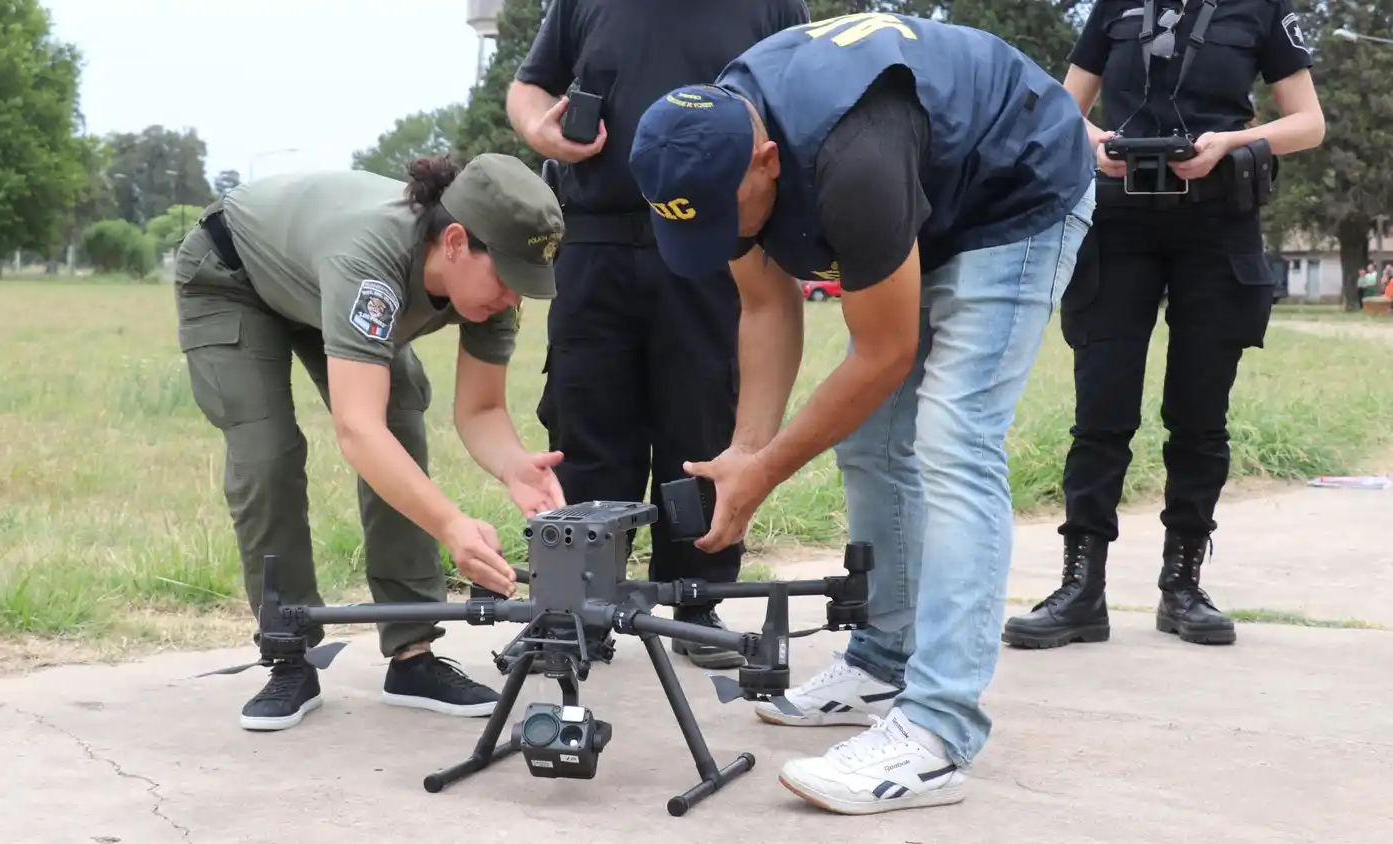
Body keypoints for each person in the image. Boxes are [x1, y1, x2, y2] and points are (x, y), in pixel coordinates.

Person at [627, 11, 1096, 815]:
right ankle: (883, 660)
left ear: (768, 161)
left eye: (726, 218)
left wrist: (769, 471)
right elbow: (766, 306)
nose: (721, 236)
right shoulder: (708, 149)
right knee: (870, 441)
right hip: (927, 185)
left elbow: (885, 353)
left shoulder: (851, 159)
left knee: (954, 439)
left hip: (1015, 183)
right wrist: (746, 450)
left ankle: (938, 731)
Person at [174, 153, 568, 732]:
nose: (514, 299)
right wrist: (451, 525)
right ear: (455, 242)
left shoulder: (492, 290)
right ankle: (288, 652)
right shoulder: (371, 260)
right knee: (267, 453)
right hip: (234, 276)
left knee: (400, 416)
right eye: (508, 278)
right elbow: (358, 431)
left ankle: (412, 655)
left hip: (320, 277)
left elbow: (481, 409)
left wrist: (514, 467)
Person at [1002, 0, 1325, 651]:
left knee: (1199, 416)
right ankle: (1080, 590)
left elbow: (1309, 123)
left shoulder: (1259, 9)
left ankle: (1183, 587)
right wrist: (1095, 142)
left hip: (1217, 223)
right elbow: (1065, 106)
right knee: (1101, 413)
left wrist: (1231, 142)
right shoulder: (1114, 7)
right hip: (1120, 224)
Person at [503, 0, 811, 670]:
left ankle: (697, 599)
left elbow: (798, 100)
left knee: (700, 424)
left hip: (715, 242)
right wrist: (540, 130)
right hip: (595, 239)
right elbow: (529, 87)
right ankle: (576, 609)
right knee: (585, 427)